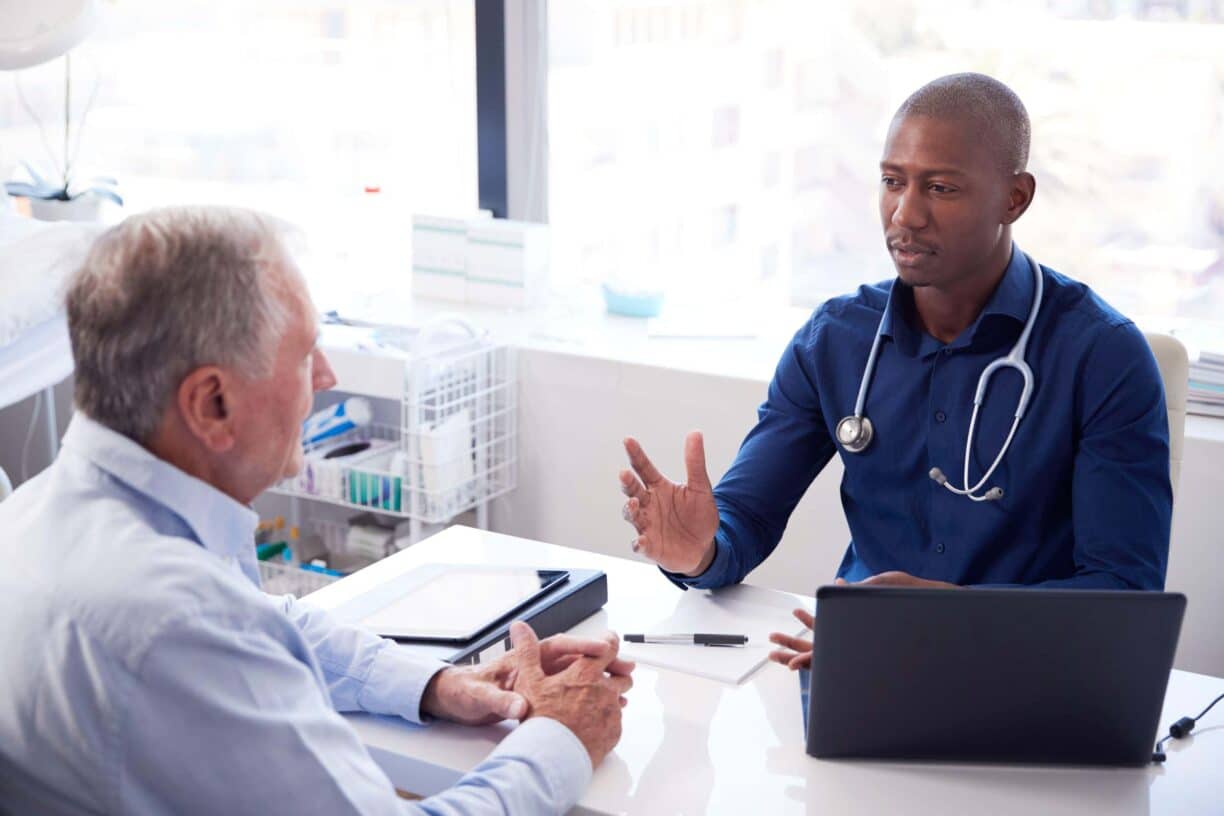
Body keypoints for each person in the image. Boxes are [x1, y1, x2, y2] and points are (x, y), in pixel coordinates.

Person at [0, 206, 633, 814]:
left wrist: (440, 685)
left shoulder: (37, 514)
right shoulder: (175, 624)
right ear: (212, 403)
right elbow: (221, 631)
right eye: (306, 354)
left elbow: (258, 620)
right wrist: (560, 737)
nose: (326, 376)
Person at [617, 73, 1172, 670]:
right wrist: (698, 552)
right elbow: (743, 522)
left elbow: (1125, 594)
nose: (905, 215)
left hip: (1030, 672)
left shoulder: (1103, 356)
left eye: (940, 187)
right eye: (891, 182)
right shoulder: (834, 341)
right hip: (864, 663)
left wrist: (956, 618)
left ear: (1015, 198)